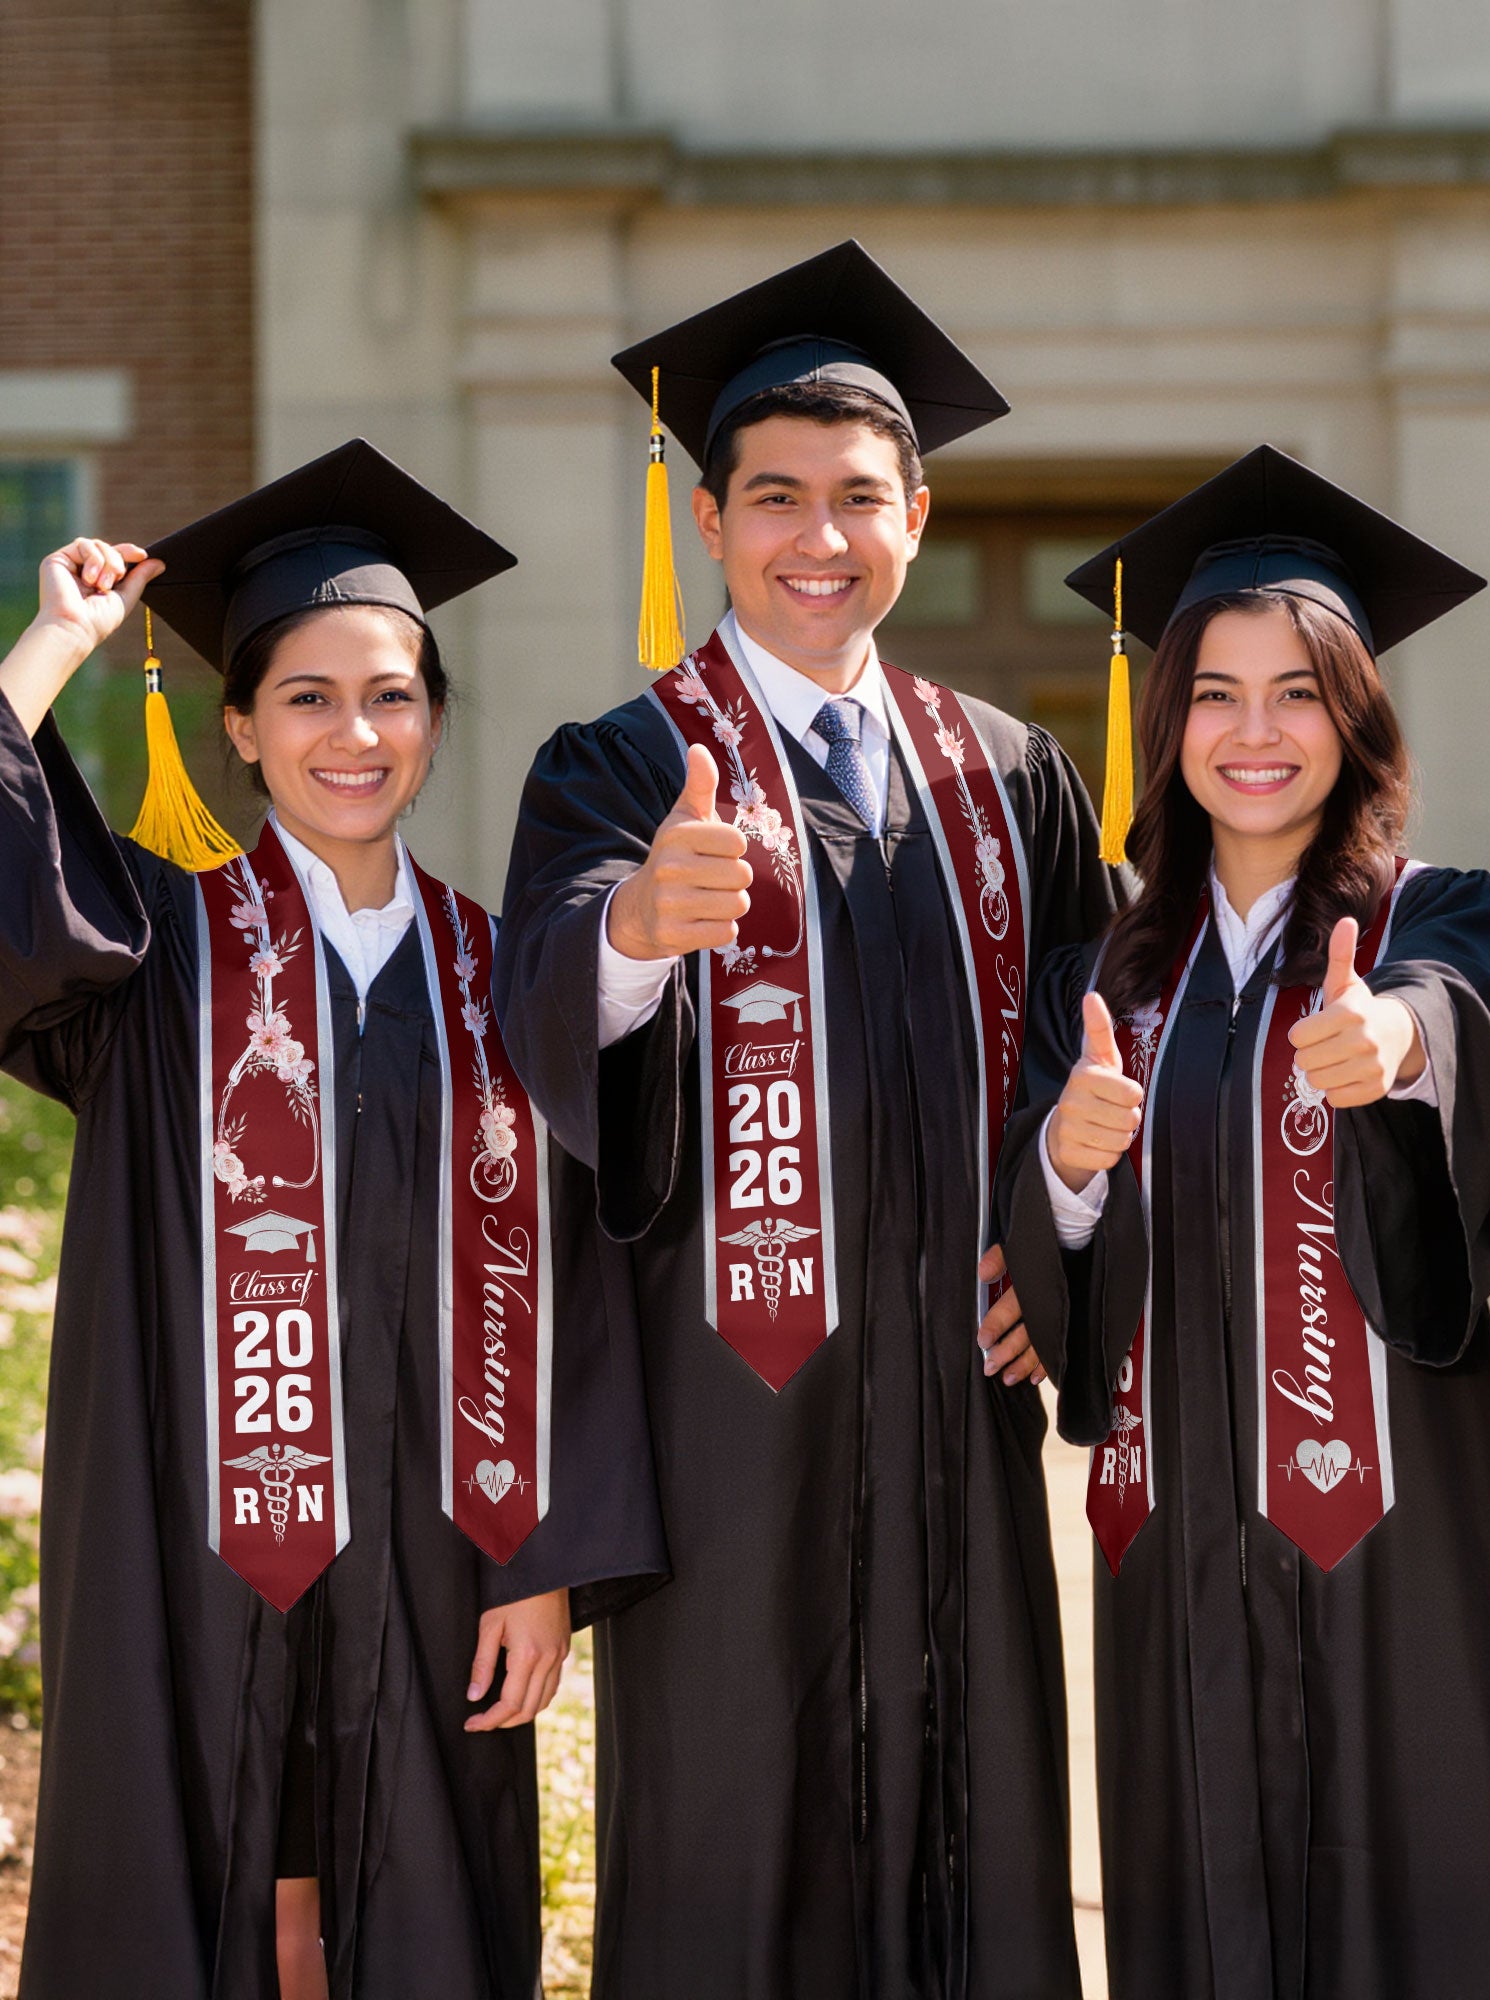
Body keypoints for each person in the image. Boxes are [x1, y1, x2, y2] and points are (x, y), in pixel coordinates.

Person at [494, 241, 1121, 1999]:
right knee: (733, 1843)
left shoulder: (1009, 774)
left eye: (860, 498)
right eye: (776, 498)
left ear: (917, 515)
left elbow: (1114, 1045)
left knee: (976, 1827)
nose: (818, 538)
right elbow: (539, 1003)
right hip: (729, 1424)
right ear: (710, 521)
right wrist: (632, 931)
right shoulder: (620, 764)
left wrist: (1061, 1241)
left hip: (955, 1408)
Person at [0, 440, 665, 2000]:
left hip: (445, 1551)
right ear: (238, 726)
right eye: (306, 697)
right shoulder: (151, 954)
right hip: (191, 1532)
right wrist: (52, 646)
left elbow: (582, 1277)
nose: (352, 733)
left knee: (421, 1900)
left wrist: (547, 1560)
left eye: (391, 694)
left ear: (434, 719)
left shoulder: (511, 975)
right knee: (198, 1870)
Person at [994, 446, 1490, 1999]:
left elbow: (1469, 1028)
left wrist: (1398, 1047)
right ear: (1166, 720)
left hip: (1403, 1536)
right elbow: (1049, 1260)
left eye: (1300, 692)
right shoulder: (1100, 980)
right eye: (1217, 694)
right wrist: (1064, 1158)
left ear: (1357, 717)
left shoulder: (1437, 917)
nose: (1257, 733)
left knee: (1425, 1900)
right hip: (1172, 1529)